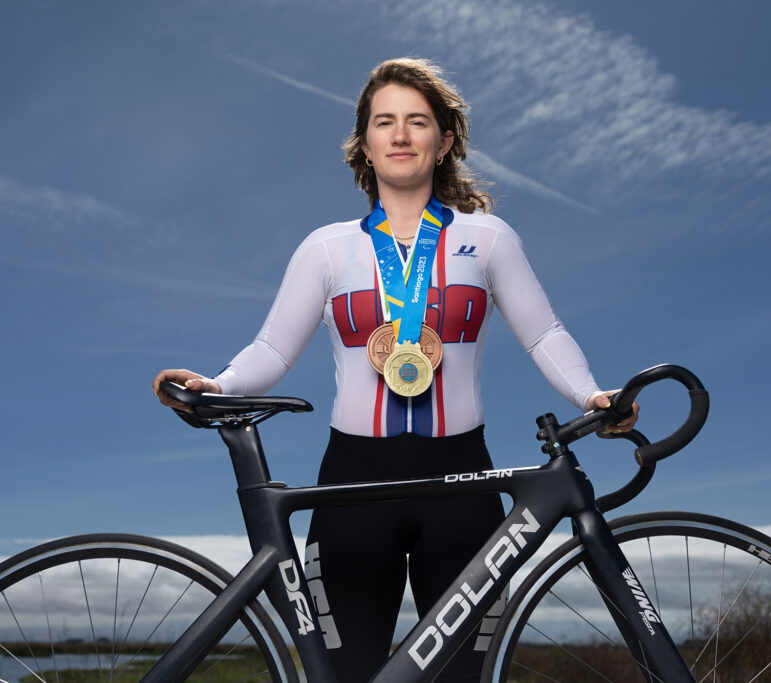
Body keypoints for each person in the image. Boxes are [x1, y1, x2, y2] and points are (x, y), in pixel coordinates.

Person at [154, 57, 637, 683]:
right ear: (365, 144)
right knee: (347, 673)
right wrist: (218, 386)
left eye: (417, 122)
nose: (401, 135)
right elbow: (273, 349)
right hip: (353, 483)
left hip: (461, 478)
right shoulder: (326, 249)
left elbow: (544, 333)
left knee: (461, 676)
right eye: (385, 123)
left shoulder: (489, 239)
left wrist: (590, 394)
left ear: (444, 141)